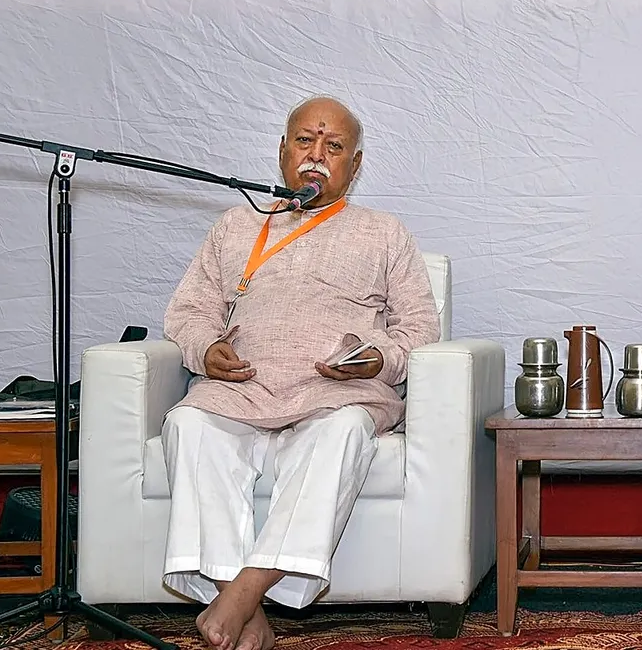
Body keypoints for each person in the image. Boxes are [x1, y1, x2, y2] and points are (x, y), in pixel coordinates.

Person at [161, 96, 441, 650]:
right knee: (188, 426)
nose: (316, 155)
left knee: (343, 433)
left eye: (334, 147)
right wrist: (205, 347)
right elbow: (190, 313)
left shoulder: (384, 233)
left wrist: (379, 357)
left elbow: (420, 330)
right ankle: (247, 615)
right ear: (282, 150)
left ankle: (244, 592)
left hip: (333, 395)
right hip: (240, 391)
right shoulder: (236, 225)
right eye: (305, 141)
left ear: (354, 166)